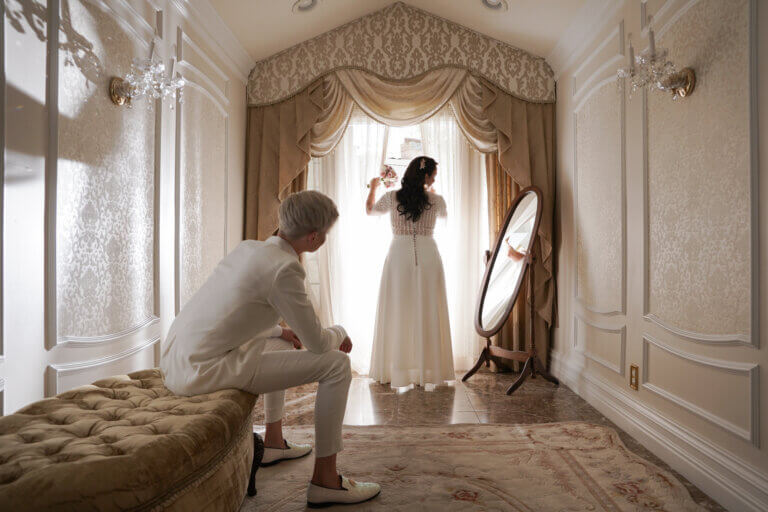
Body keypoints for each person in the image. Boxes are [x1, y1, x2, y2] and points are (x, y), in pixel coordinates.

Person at [160, 190, 381, 507]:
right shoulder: (285, 269)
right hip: (203, 370)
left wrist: (281, 330)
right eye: (326, 234)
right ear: (314, 237)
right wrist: (341, 331)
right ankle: (326, 481)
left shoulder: (248, 249)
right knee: (336, 365)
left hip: (177, 359)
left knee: (281, 339)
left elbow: (233, 312)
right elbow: (319, 343)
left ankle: (274, 443)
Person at [365, 156, 455, 388]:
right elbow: (444, 217)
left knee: (398, 307)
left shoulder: (392, 197)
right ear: (426, 176)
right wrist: (432, 191)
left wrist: (373, 188)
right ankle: (428, 369)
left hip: (398, 254)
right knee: (428, 307)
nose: (435, 178)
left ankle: (394, 370)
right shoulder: (437, 200)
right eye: (433, 174)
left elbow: (370, 211)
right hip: (428, 253)